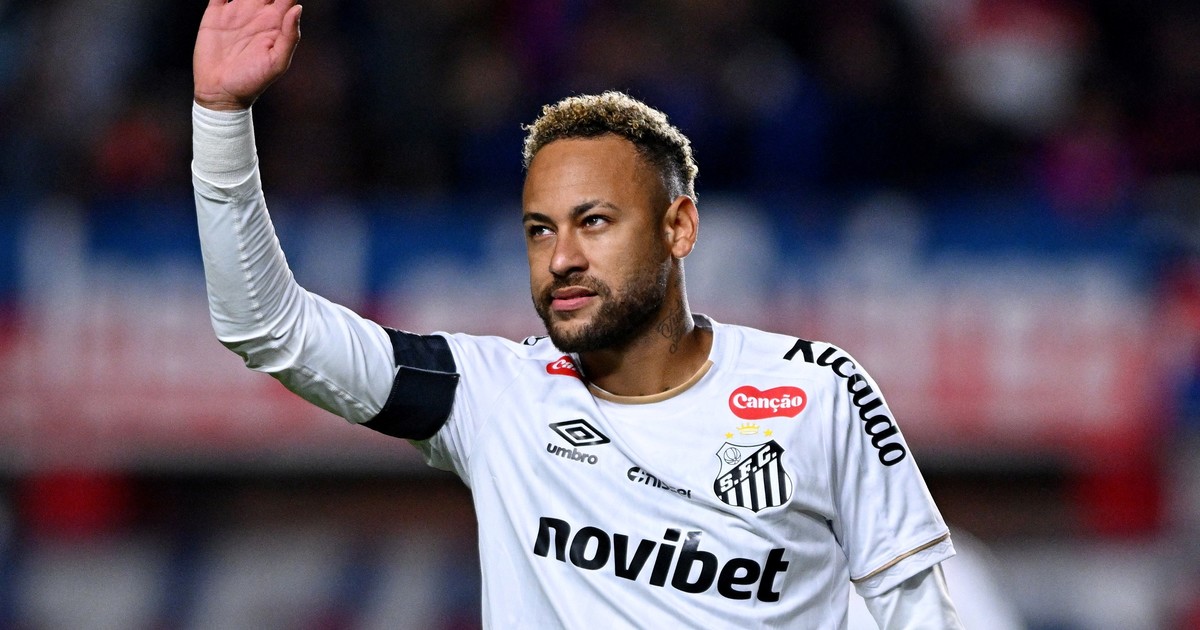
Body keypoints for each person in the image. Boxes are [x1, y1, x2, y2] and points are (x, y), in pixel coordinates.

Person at [191, 0, 964, 627]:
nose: (561, 256)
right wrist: (221, 117)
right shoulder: (496, 397)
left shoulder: (818, 392)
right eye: (540, 230)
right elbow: (269, 327)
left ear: (677, 227)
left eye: (594, 222)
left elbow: (918, 612)